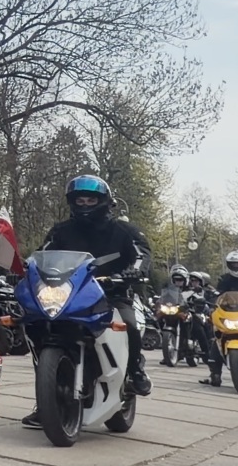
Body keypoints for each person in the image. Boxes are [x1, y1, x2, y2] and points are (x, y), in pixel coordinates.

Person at [22, 175, 152, 429]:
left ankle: (135, 371)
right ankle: (47, 401)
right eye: (79, 200)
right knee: (36, 325)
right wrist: (27, 270)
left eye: (90, 200)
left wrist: (133, 272)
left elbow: (141, 255)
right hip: (70, 294)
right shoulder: (60, 231)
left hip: (112, 294)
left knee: (128, 324)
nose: (84, 204)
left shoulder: (125, 231)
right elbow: (40, 256)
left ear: (104, 201)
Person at [199, 251, 238, 386]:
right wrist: (212, 304)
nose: (237, 267)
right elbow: (219, 296)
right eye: (233, 264)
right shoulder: (225, 279)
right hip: (232, 314)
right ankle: (215, 374)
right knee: (218, 335)